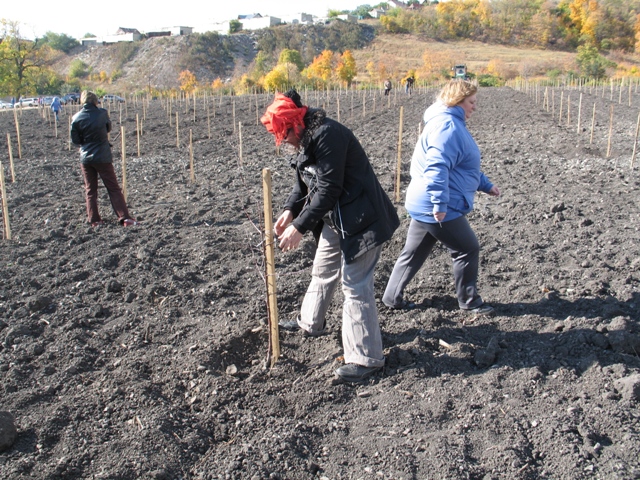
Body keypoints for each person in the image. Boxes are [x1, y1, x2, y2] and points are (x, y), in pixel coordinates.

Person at [261, 89, 400, 383]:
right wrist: (289, 211)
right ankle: (310, 322)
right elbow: (304, 184)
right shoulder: (305, 141)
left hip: (362, 219)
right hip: (337, 218)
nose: (282, 140)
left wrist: (298, 227)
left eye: (284, 133)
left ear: (296, 123)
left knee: (356, 285)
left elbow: (328, 188)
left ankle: (366, 358)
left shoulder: (328, 136)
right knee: (322, 268)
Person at [382, 79, 500, 314]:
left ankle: (391, 297)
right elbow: (437, 166)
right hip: (437, 205)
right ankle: (469, 301)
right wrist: (439, 203)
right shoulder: (448, 126)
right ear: (458, 101)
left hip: (423, 202)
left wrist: (485, 184)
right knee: (467, 248)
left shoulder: (445, 122)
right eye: (471, 102)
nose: (474, 107)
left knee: (414, 252)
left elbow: (461, 165)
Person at [70, 90, 138, 228]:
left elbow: (75, 140)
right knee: (113, 187)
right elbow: (108, 128)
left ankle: (94, 219)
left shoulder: (76, 118)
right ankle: (124, 218)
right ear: (95, 101)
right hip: (102, 155)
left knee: (90, 189)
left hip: (86, 158)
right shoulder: (102, 113)